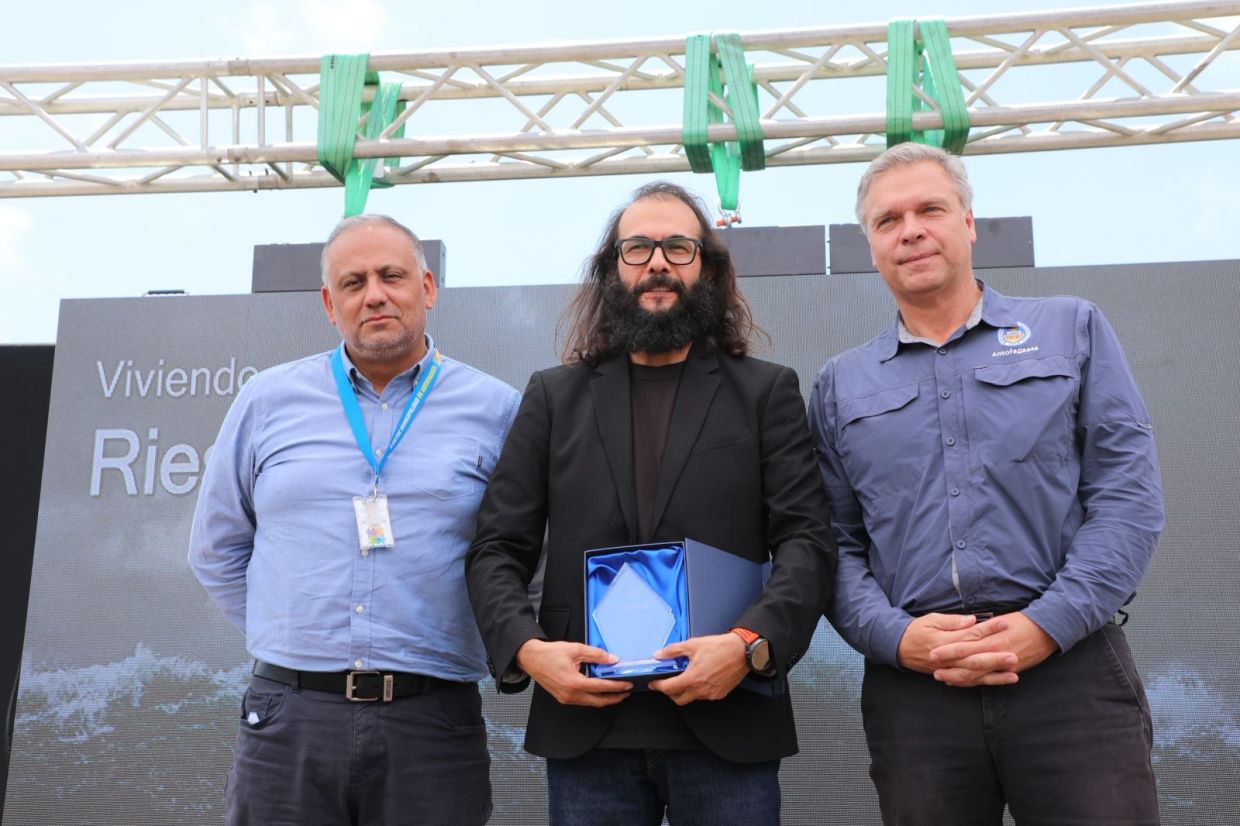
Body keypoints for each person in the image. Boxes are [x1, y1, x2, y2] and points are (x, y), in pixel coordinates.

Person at [809, 143, 1164, 825]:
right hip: (917, 692)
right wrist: (895, 637)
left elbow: (1127, 501)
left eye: (930, 210)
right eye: (888, 221)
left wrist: (1046, 625)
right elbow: (832, 543)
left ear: (968, 223)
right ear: (872, 247)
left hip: (1070, 672)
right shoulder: (838, 385)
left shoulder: (1072, 328)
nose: (910, 230)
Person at [465, 181, 836, 825]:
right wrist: (528, 650)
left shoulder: (765, 392)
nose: (657, 263)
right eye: (636, 248)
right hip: (586, 730)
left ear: (707, 269)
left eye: (678, 248)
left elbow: (808, 543)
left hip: (729, 720)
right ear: (612, 269)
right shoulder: (553, 398)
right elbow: (496, 549)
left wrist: (748, 645)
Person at [188, 214, 520, 826]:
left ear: (427, 288)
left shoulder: (498, 410)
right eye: (353, 282)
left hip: (432, 722)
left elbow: (525, 558)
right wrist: (292, 633)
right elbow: (217, 550)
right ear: (328, 303)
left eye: (392, 276)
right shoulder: (266, 400)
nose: (374, 295)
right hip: (289, 718)